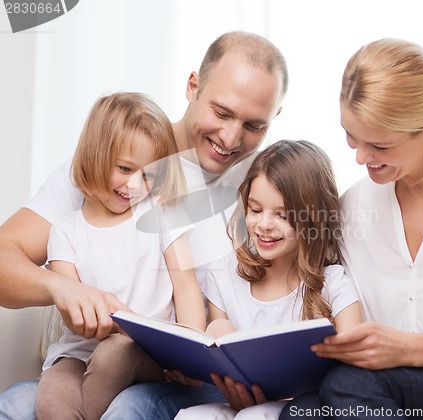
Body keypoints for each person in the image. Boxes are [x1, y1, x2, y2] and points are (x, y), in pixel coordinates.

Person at [0, 31, 288, 419]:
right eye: (221, 113)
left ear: (275, 119)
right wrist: (59, 285)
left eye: (254, 125)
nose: (230, 137)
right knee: (16, 404)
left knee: (130, 406)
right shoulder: (106, 170)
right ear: (193, 86)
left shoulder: (267, 195)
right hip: (91, 365)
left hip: (187, 377)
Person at [279, 38, 423, 420]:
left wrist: (406, 349)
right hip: (386, 393)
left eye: (379, 146)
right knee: (300, 412)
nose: (362, 157)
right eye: (351, 137)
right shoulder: (352, 209)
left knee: (348, 386)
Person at [34, 92, 207, 420]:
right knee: (54, 400)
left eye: (148, 176)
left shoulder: (162, 212)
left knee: (115, 353)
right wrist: (114, 314)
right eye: (125, 168)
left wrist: (189, 355)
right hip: (78, 353)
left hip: (146, 352)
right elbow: (74, 316)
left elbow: (186, 289)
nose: (134, 185)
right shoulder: (66, 231)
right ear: (95, 155)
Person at [175, 140, 363, 420]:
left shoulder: (333, 284)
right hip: (237, 404)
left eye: (283, 215)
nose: (264, 224)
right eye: (255, 209)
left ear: (313, 218)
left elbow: (353, 372)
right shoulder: (225, 274)